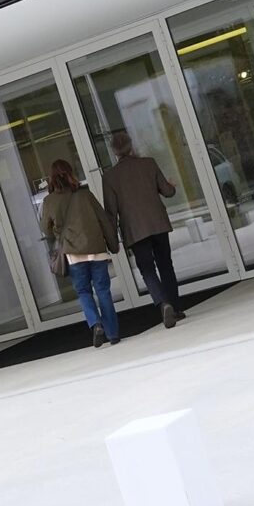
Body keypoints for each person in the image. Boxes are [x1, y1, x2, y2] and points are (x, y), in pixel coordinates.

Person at [100, 129, 183, 328]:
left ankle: (162, 303)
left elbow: (111, 212)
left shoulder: (109, 177)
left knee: (147, 269)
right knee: (166, 265)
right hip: (158, 223)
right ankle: (175, 308)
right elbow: (167, 191)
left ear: (114, 152)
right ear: (131, 146)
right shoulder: (149, 163)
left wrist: (112, 240)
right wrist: (172, 185)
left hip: (134, 230)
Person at [39, 157, 119, 347]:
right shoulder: (85, 195)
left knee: (83, 291)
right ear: (70, 173)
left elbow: (46, 230)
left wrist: (56, 229)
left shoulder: (49, 201)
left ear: (52, 177)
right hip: (96, 249)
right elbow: (103, 220)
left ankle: (95, 324)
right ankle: (113, 334)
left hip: (73, 253)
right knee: (103, 291)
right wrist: (113, 244)